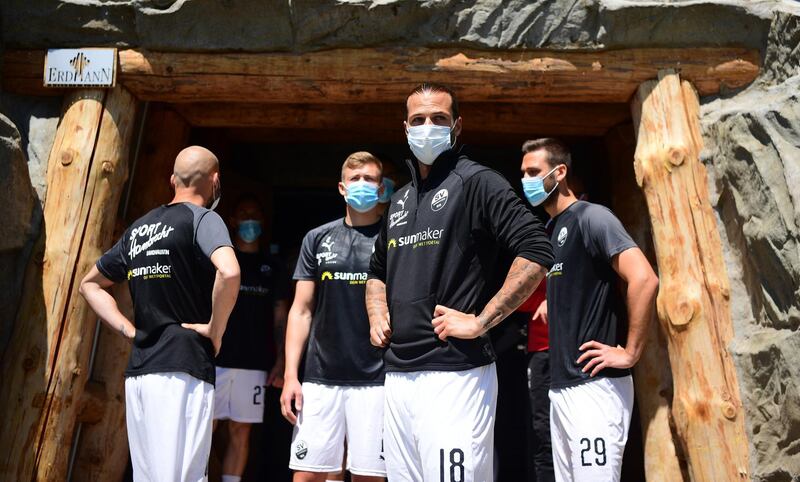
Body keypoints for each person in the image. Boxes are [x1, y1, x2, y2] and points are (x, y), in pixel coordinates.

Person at [366, 83, 554, 481]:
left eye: (439, 119)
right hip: (398, 375)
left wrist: (481, 321)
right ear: (405, 127)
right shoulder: (398, 200)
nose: (427, 127)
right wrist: (376, 313)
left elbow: (537, 249)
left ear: (457, 126)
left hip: (456, 373)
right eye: (418, 120)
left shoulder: (478, 182)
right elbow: (377, 272)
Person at [79, 146, 241, 482]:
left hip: (141, 369)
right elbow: (229, 272)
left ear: (172, 180)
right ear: (215, 181)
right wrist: (216, 329)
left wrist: (128, 330)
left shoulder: (139, 228)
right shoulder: (204, 219)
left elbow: (90, 285)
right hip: (184, 367)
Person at [519, 138, 659, 481]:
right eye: (523, 173)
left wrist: (629, 352)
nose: (526, 180)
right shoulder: (550, 230)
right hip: (561, 387)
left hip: (594, 389)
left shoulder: (592, 216)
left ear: (560, 172)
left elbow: (645, 279)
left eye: (534, 172)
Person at [280, 151, 387, 482]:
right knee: (308, 475)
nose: (362, 185)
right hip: (320, 377)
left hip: (378, 378)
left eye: (370, 179)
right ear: (342, 188)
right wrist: (290, 375)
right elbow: (301, 309)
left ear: (382, 188)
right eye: (355, 179)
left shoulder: (395, 240)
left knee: (369, 476)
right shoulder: (317, 238)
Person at [213, 195, 291, 482]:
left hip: (254, 362)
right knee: (204, 429)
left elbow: (281, 317)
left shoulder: (273, 267)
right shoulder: (219, 261)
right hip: (215, 359)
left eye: (255, 214)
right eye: (244, 214)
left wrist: (281, 361)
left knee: (241, 431)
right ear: (232, 221)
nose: (250, 220)